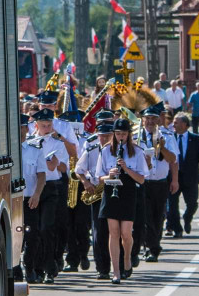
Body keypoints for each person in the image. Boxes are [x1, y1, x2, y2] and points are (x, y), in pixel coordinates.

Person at [97, 117, 148, 284]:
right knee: (114, 232)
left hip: (128, 191)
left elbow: (141, 179)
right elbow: (99, 177)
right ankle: (116, 271)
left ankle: (127, 258)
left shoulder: (137, 152)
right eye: (117, 134)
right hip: (111, 190)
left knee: (126, 233)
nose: (120, 137)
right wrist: (109, 175)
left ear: (128, 135)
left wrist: (126, 168)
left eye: (123, 134)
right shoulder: (105, 151)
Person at [26, 108, 68, 284]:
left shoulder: (57, 143)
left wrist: (56, 164)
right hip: (33, 187)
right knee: (33, 231)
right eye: (43, 125)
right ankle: (36, 268)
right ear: (36, 125)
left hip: (50, 188)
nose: (47, 128)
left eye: (49, 125)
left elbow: (64, 168)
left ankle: (51, 267)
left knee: (47, 228)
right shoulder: (29, 143)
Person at [133, 104, 179, 264]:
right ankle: (152, 248)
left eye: (153, 118)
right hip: (143, 182)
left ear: (158, 119)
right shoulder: (136, 137)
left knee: (159, 216)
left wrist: (175, 180)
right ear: (143, 120)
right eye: (148, 119)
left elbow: (173, 159)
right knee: (146, 217)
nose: (150, 122)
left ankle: (153, 245)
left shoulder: (167, 135)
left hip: (160, 182)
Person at [81, 115, 115, 279]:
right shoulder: (91, 149)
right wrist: (86, 183)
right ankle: (102, 268)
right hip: (97, 192)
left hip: (115, 191)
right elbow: (79, 169)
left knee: (115, 231)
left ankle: (118, 265)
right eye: (102, 135)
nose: (104, 139)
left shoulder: (118, 149)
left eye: (108, 136)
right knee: (98, 232)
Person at [167, 112, 199, 237]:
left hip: (190, 177)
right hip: (173, 178)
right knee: (172, 205)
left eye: (176, 122)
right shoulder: (169, 138)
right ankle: (178, 229)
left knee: (192, 203)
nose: (173, 124)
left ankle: (187, 217)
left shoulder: (196, 139)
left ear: (185, 124)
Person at [62, 108, 92, 273]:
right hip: (65, 183)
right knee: (68, 224)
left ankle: (83, 253)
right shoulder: (59, 140)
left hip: (82, 183)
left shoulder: (87, 140)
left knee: (81, 223)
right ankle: (72, 259)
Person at [19, 115, 48, 283]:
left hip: (29, 199)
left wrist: (37, 194)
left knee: (32, 236)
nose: (20, 130)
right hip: (11, 200)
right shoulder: (5, 149)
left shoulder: (34, 149)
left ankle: (29, 269)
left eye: (22, 127)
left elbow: (42, 175)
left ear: (27, 129)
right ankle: (15, 270)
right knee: (16, 236)